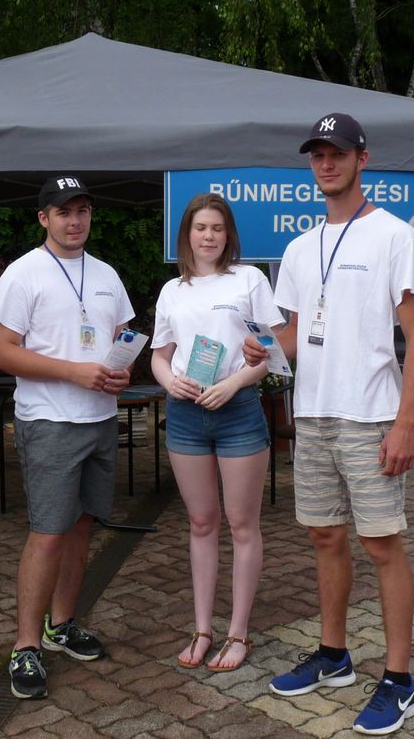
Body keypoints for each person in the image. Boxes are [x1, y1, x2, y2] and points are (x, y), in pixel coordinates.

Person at [244, 112, 414, 735]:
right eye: (317, 155)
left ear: (362, 157)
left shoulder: (394, 236)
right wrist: (264, 351)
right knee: (324, 538)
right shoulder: (299, 247)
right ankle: (334, 656)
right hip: (314, 414)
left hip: (371, 415)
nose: (327, 163)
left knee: (381, 544)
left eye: (337, 153)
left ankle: (399, 680)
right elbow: (294, 337)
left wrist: (406, 424)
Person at [0, 175, 133, 700]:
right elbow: (1, 351)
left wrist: (120, 366)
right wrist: (73, 372)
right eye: (64, 211)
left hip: (99, 416)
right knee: (49, 531)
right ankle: (26, 645)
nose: (75, 221)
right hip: (49, 418)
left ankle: (62, 623)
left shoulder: (106, 274)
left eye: (83, 211)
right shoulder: (22, 274)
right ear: (43, 218)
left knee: (82, 526)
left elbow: (121, 338)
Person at [150, 193, 282, 672]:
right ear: (187, 233)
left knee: (242, 525)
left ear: (229, 235)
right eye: (200, 227)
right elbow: (160, 354)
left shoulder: (249, 280)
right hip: (186, 414)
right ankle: (202, 628)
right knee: (201, 524)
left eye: (217, 228)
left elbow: (272, 348)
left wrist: (234, 383)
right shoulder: (173, 290)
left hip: (239, 410)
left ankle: (238, 633)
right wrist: (169, 381)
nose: (208, 236)